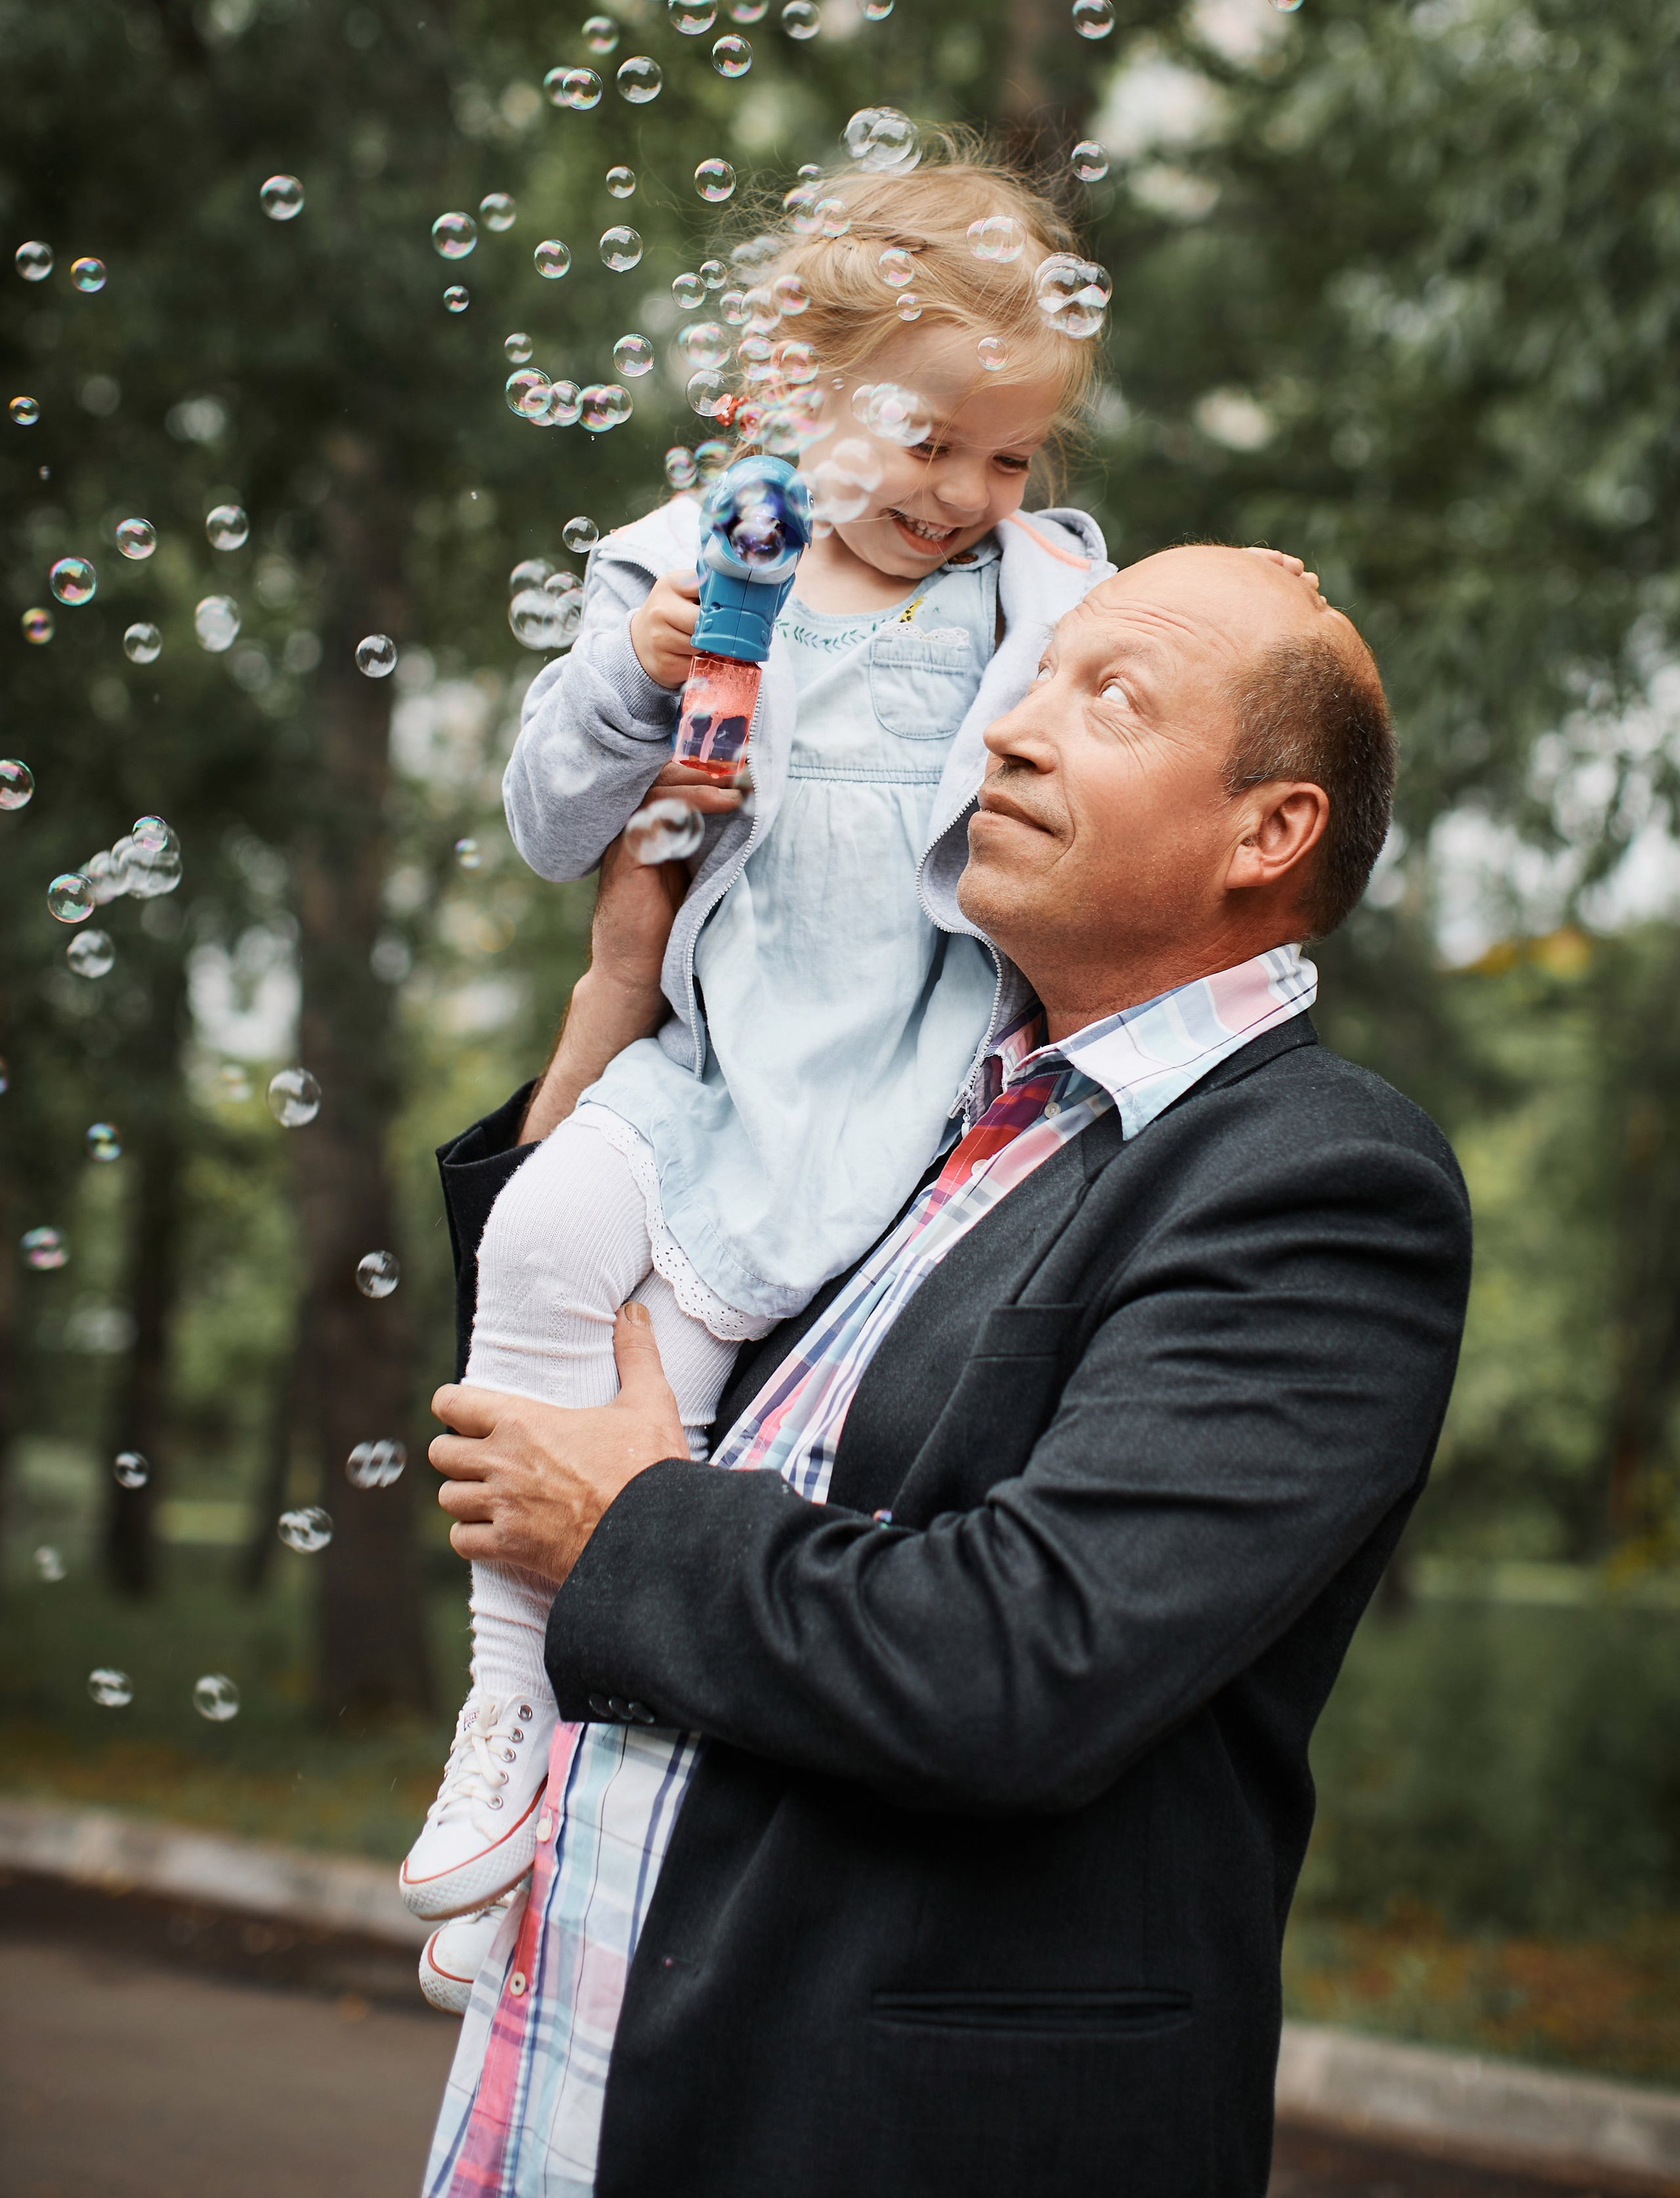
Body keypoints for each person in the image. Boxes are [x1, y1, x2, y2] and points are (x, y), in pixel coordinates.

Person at [419, 544, 1473, 2198]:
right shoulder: (911, 1107)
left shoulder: (1315, 1183)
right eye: (1028, 674)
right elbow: (556, 1406)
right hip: (569, 2092)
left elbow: (1018, 1662)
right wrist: (620, 990)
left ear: (1270, 831)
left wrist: (624, 1532)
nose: (1006, 729)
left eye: (1107, 695)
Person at [399, 152, 1119, 1929]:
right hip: (726, 1065)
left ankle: (585, 1830)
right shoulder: (700, 560)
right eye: (926, 439)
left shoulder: (1049, 593)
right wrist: (632, 675)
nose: (962, 493)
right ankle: (504, 1702)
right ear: (808, 380)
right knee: (545, 1232)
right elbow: (558, 824)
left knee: (711, 1452)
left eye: (1007, 455)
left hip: (913, 1079)